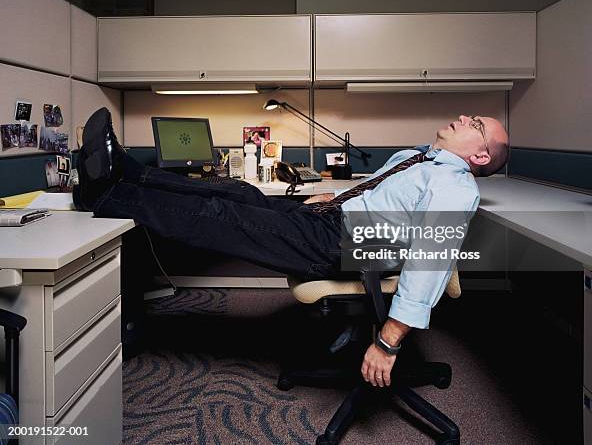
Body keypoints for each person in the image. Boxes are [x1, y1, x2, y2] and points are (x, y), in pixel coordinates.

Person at [74, 108, 509, 389]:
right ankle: (128, 173)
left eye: (477, 126)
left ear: (481, 157)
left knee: (224, 217)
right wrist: (338, 199)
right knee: (239, 194)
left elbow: (429, 263)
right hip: (335, 221)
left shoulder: (453, 187)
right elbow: (384, 199)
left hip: (344, 247)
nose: (467, 117)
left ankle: (106, 194)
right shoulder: (421, 159)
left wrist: (389, 341)